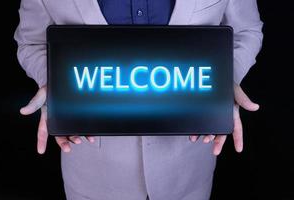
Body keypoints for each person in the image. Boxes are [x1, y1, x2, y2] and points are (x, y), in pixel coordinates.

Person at [14, 0, 263, 199]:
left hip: (187, 171)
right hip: (94, 174)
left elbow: (246, 31)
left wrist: (220, 82)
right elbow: (31, 42)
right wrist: (58, 83)